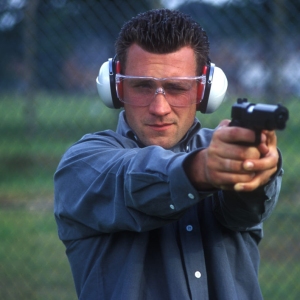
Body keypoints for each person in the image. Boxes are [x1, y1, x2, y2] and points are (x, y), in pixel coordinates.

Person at [54, 8, 282, 300]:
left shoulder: (225, 148)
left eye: (176, 89)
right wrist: (202, 170)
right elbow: (128, 179)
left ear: (204, 91)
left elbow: (245, 209)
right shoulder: (82, 163)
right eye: (142, 86)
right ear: (116, 86)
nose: (159, 108)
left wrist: (257, 167)